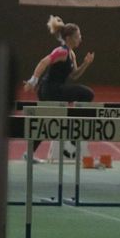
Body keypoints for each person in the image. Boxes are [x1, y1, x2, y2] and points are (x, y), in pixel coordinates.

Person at [22, 15, 94, 162]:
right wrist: (33, 81)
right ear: (68, 38)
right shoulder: (62, 51)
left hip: (53, 90)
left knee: (47, 121)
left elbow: (74, 75)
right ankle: (72, 124)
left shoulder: (71, 54)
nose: (80, 39)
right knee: (87, 93)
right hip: (50, 89)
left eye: (80, 36)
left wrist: (86, 64)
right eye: (78, 36)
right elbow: (43, 62)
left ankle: (28, 154)